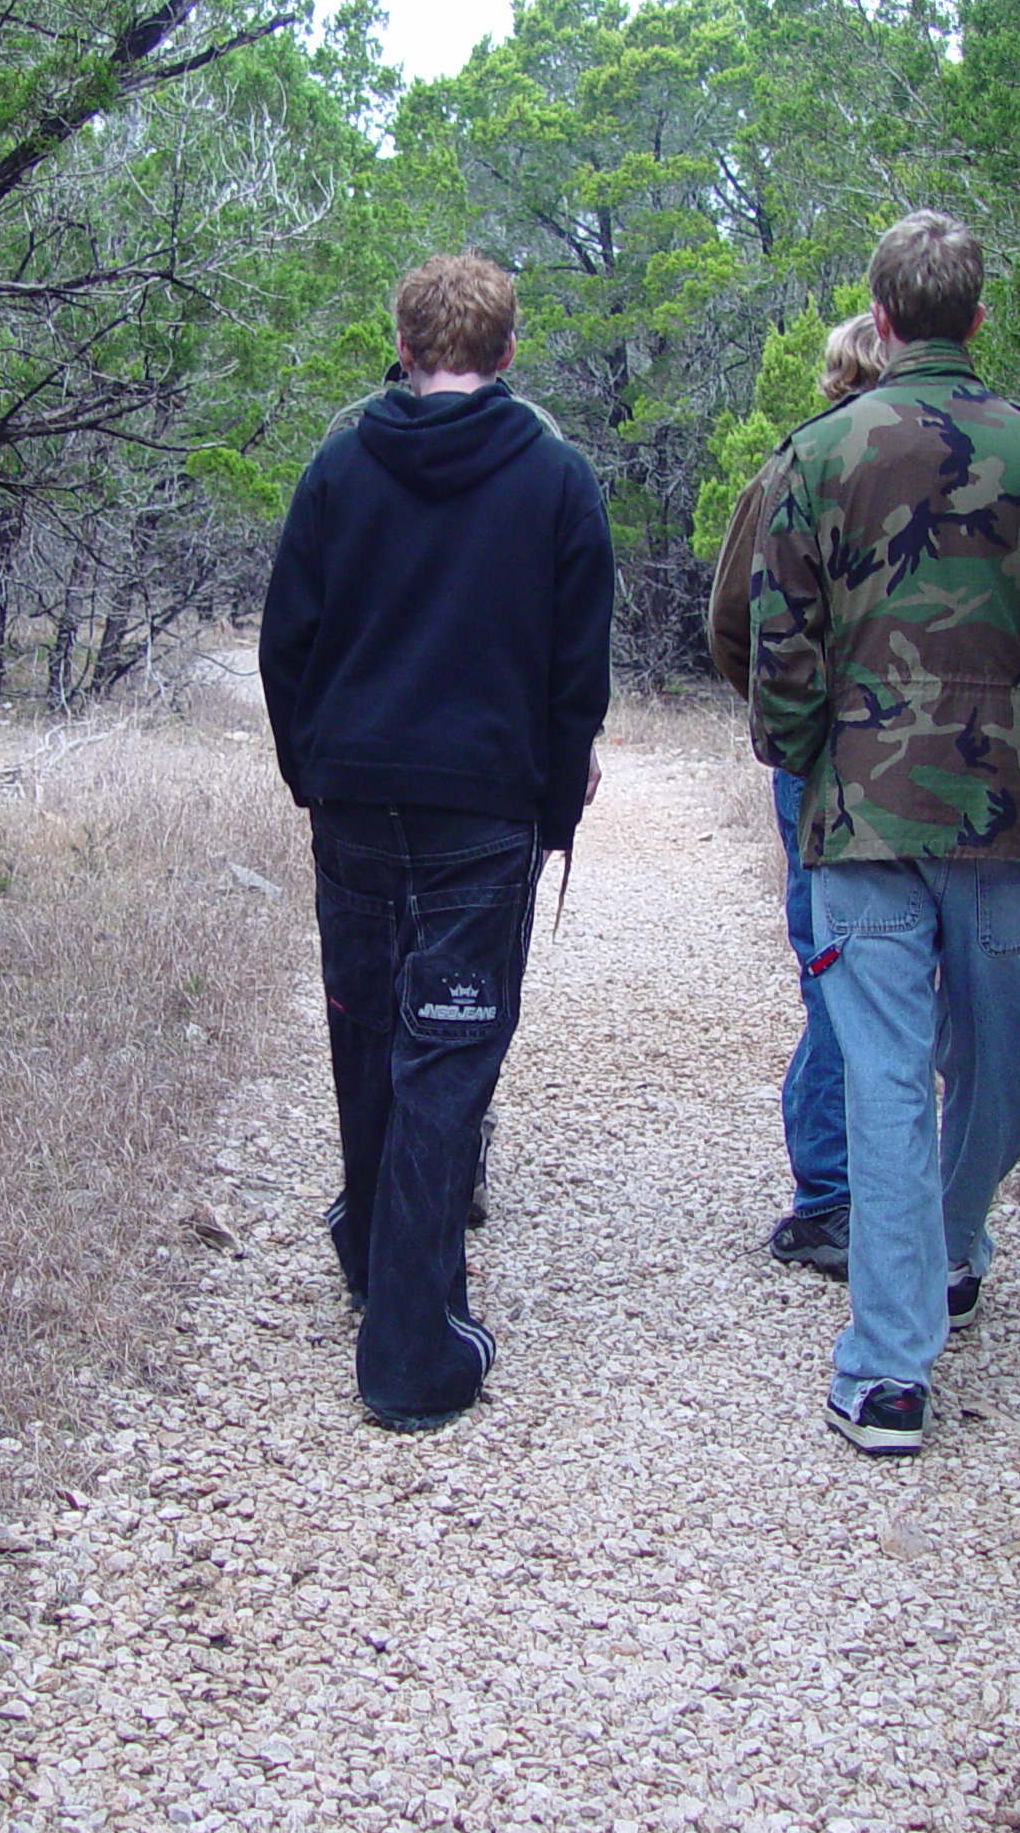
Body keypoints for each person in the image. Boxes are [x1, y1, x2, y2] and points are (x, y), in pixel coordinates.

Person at [749, 211, 1020, 1456]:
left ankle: (942, 1258)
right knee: (962, 1072)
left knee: (920, 1080)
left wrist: (805, 755)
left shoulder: (818, 453)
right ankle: (890, 1358)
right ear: (972, 317)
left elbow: (779, 640)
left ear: (887, 316)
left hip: (867, 808)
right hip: (997, 811)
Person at [260, 253, 615, 1433]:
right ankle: (411, 1354)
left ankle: (374, 1248)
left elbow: (286, 649)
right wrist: (553, 812)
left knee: (371, 1036)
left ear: (403, 347)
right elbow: (578, 684)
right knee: (445, 1057)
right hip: (478, 815)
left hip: (358, 800)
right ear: (508, 352)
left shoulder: (337, 469)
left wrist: (314, 772)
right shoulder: (558, 482)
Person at [707, 313, 891, 1278]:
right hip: (924, 778)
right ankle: (850, 1195)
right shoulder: (972, 456)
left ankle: (833, 1196)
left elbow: (730, 626)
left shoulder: (791, 469)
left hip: (820, 766)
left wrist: (793, 728)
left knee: (831, 972)